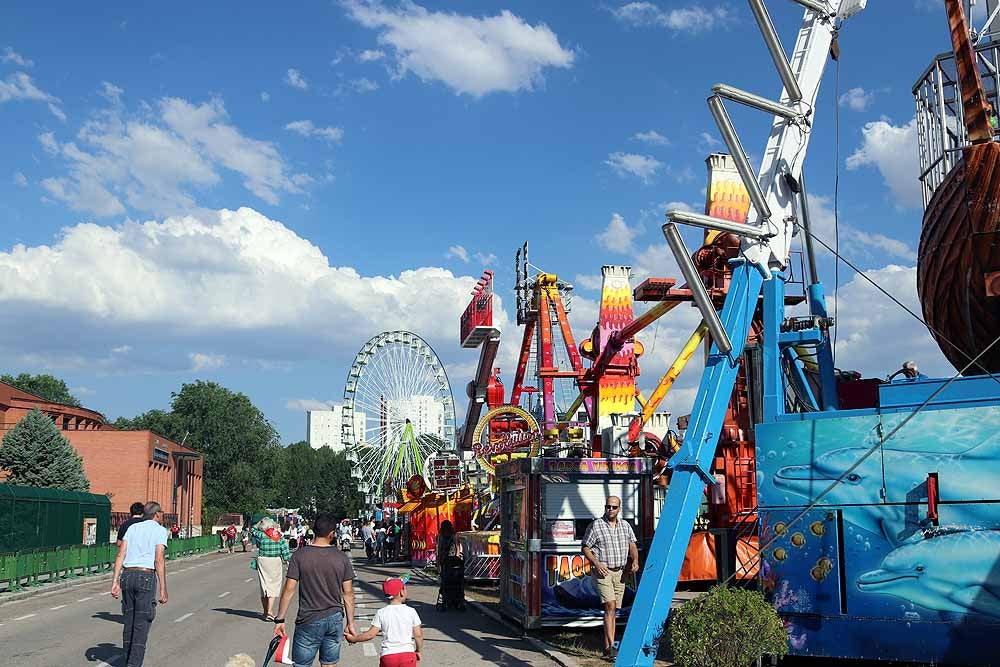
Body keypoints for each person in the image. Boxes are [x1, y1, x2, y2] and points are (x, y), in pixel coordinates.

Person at [272, 513, 357, 667]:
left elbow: (289, 590)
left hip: (308, 620)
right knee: (329, 664)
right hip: (335, 618)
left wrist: (280, 619)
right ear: (332, 534)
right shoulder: (341, 557)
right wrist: (350, 623)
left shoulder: (299, 556)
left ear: (314, 531)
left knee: (302, 664)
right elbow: (348, 593)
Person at [111, 501, 169, 667]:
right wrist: (163, 588)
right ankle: (134, 664)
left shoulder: (132, 528)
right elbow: (159, 559)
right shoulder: (159, 530)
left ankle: (127, 660)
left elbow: (120, 555)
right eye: (162, 512)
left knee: (129, 620)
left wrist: (115, 581)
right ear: (157, 514)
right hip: (145, 575)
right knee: (142, 623)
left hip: (127, 575)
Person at [581, 495, 639, 662]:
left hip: (619, 572)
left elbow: (632, 544)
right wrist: (596, 563)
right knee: (610, 605)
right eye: (608, 507)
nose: (610, 510)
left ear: (619, 509)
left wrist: (634, 560)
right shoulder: (596, 525)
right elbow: (585, 547)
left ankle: (608, 649)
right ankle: (611, 647)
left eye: (614, 507)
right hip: (602, 572)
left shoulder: (625, 526)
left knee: (613, 611)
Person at [346, 576, 423, 667]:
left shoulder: (381, 612)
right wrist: (418, 650)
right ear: (402, 592)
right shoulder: (411, 611)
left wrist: (354, 639)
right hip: (408, 655)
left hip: (388, 656)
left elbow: (370, 634)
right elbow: (418, 635)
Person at [252, 520, 292, 621]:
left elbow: (252, 530)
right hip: (275, 561)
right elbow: (285, 552)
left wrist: (258, 524)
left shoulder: (261, 535)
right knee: (273, 586)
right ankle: (269, 612)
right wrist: (288, 563)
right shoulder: (278, 536)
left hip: (263, 561)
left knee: (264, 587)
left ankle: (266, 612)